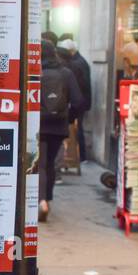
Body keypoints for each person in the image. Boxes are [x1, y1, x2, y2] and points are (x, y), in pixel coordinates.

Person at [38, 39, 83, 221]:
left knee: (39, 164)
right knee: (50, 164)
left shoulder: (35, 73)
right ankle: (48, 199)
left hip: (39, 124)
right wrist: (67, 116)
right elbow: (79, 101)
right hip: (58, 126)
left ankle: (41, 201)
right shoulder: (66, 73)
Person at [57, 37, 93, 161]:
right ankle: (81, 156)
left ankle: (81, 157)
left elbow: (81, 85)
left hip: (78, 102)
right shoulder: (78, 61)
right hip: (80, 101)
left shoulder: (76, 64)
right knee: (78, 129)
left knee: (77, 129)